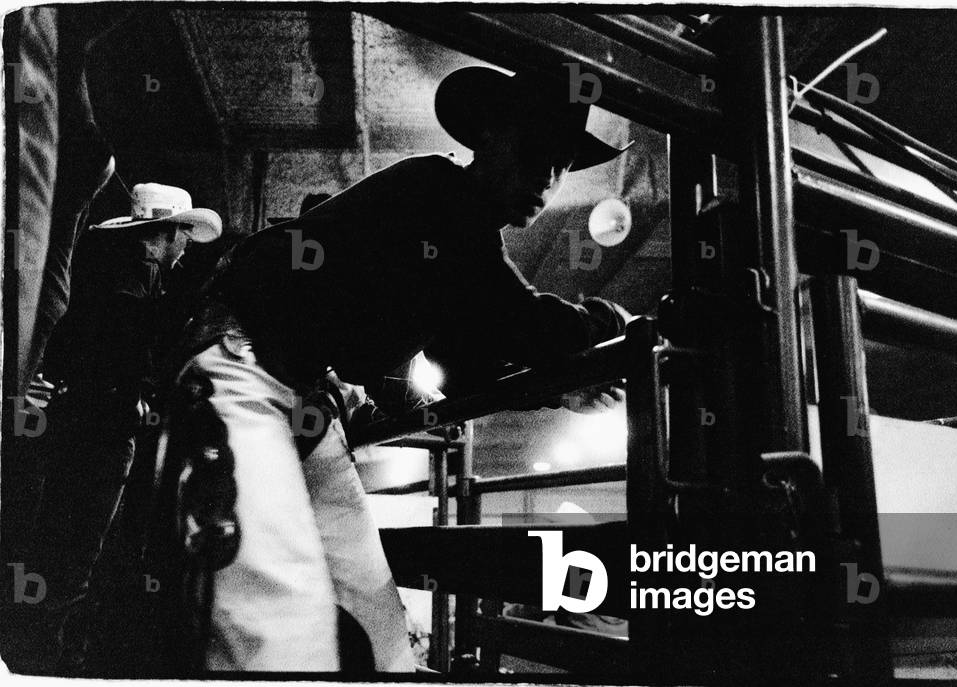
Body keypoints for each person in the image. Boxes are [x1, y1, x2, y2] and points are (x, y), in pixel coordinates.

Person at [166, 65, 632, 672]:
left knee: (379, 626)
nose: (546, 178)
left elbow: (466, 366)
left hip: (304, 391)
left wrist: (560, 388)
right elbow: (521, 321)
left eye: (561, 164)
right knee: (274, 626)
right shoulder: (439, 190)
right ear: (491, 136)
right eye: (534, 151)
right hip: (240, 360)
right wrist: (616, 325)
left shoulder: (453, 238)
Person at [25, 183, 221, 672]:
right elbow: (125, 356)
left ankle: (53, 650)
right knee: (77, 553)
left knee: (70, 547)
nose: (185, 248)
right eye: (182, 235)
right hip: (100, 434)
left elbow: (72, 347)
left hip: (84, 425)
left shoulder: (122, 274)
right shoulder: (132, 288)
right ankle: (52, 661)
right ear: (164, 234)